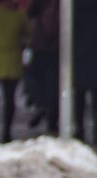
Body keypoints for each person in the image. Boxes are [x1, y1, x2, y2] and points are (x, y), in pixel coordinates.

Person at [0, 0, 30, 143]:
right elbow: (28, 34)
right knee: (8, 99)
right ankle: (5, 132)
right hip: (10, 60)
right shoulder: (19, 16)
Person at [26, 0, 60, 134]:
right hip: (58, 47)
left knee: (35, 77)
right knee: (54, 84)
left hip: (40, 45)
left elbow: (29, 14)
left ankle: (40, 105)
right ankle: (53, 120)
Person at [73, 0, 97, 144]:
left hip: (80, 55)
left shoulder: (75, 7)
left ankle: (79, 130)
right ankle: (96, 130)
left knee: (79, 95)